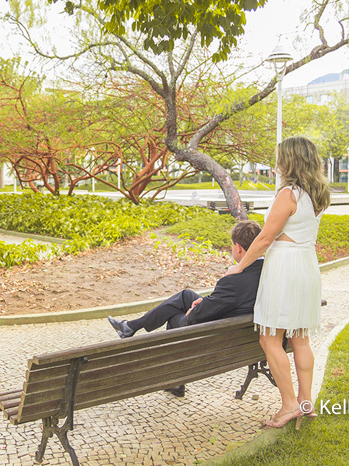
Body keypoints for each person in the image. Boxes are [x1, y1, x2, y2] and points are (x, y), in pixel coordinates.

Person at [225, 136, 330, 429]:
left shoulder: (289, 194)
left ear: (290, 160)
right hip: (307, 264)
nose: (277, 162)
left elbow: (266, 237)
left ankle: (288, 405)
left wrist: (240, 266)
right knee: (300, 338)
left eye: (280, 157)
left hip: (285, 266)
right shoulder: (318, 193)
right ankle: (306, 402)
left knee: (269, 338)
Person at [107, 220, 264, 396]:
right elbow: (229, 300)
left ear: (239, 248)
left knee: (174, 317)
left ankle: (176, 382)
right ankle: (131, 326)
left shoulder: (233, 281)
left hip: (219, 335)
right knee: (185, 296)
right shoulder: (267, 270)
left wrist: (196, 310)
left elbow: (196, 316)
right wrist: (205, 301)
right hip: (243, 327)